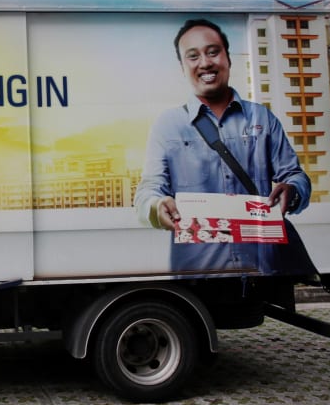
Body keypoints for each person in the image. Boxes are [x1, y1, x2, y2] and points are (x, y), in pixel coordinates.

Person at [133, 18, 312, 274]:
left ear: (228, 57)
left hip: (260, 270)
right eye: (192, 56)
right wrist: (157, 206)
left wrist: (292, 190)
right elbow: (147, 192)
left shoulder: (262, 119)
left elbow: (295, 175)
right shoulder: (168, 125)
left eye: (213, 52)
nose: (205, 63)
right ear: (182, 67)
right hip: (197, 275)